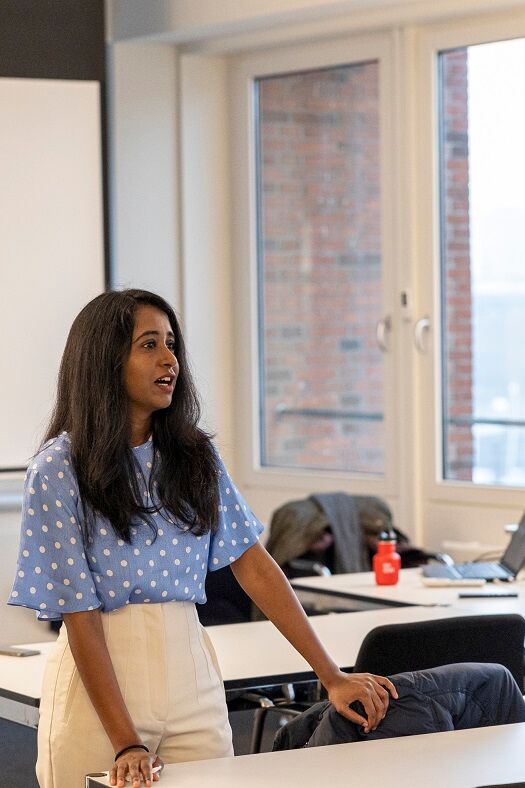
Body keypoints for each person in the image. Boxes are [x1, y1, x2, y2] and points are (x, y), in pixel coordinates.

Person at [9, 289, 525, 787]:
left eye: (171, 344)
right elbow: (79, 614)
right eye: (149, 344)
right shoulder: (59, 469)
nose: (170, 359)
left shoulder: (194, 457)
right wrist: (126, 743)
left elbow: (254, 566)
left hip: (190, 669)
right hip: (99, 685)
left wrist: (331, 676)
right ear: (104, 359)